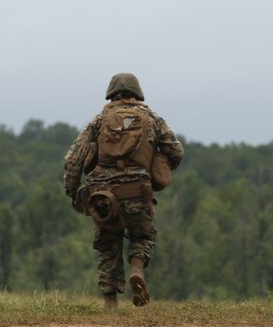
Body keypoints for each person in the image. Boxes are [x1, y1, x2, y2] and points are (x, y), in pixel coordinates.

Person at [63, 73, 183, 308]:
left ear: (111, 94)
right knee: (143, 236)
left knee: (108, 246)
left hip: (103, 197)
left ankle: (110, 304)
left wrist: (72, 190)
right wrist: (157, 162)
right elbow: (176, 152)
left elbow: (72, 160)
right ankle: (137, 269)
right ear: (137, 93)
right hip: (138, 191)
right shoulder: (152, 119)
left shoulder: (98, 121)